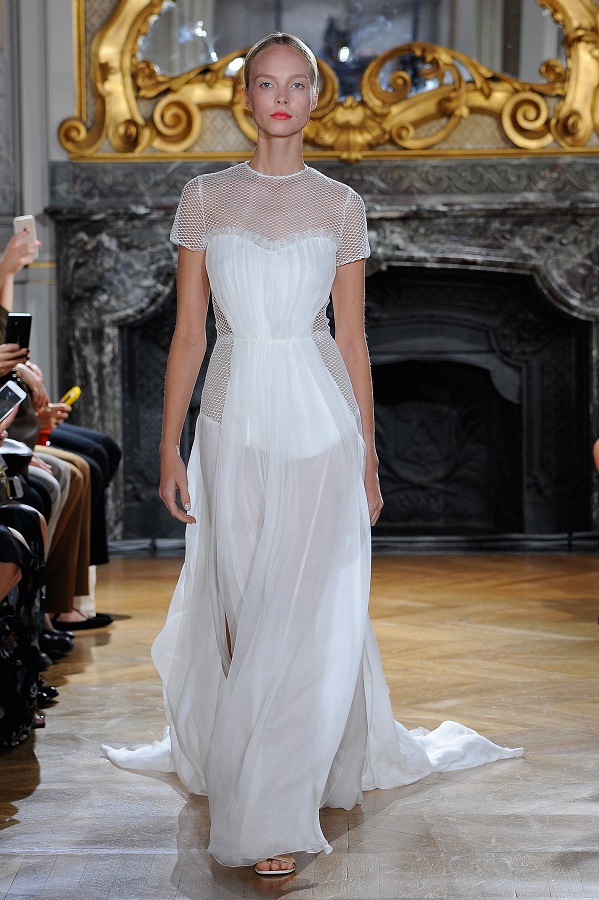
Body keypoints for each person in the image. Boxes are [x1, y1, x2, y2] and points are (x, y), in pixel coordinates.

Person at [104, 33, 522, 875]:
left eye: (297, 84)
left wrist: (366, 457)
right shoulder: (204, 198)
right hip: (229, 423)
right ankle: (254, 764)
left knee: (297, 624)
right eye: (266, 84)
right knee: (236, 615)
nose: (282, 98)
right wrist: (169, 446)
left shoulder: (339, 205)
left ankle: (270, 814)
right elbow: (188, 334)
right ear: (247, 99)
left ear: (314, 98)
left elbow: (354, 341)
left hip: (319, 427)